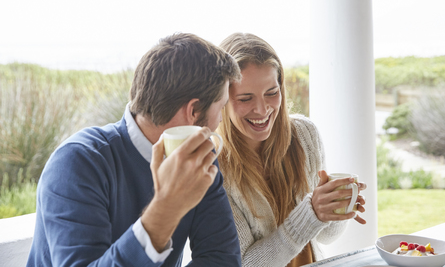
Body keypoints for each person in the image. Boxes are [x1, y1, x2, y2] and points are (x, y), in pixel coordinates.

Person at [27, 33, 243, 266]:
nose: (220, 121)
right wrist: (164, 210)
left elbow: (223, 259)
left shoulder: (199, 160)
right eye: (220, 107)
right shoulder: (75, 163)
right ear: (193, 110)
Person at [216, 33, 367, 267]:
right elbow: (246, 264)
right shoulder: (214, 166)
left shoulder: (304, 135)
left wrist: (337, 205)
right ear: (222, 98)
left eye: (272, 93)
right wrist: (312, 213)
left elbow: (325, 236)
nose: (262, 109)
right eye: (246, 98)